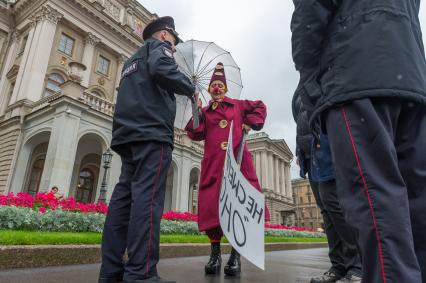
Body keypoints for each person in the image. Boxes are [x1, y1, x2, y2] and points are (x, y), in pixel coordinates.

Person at [291, 1, 426, 282]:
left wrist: (309, 77)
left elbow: (311, 10)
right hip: (409, 73)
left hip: (354, 74)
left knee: (376, 201)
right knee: (416, 202)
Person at [99, 16, 197, 283]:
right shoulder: (159, 49)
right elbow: (163, 69)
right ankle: (141, 274)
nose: (175, 49)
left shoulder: (131, 60)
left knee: (122, 202)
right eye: (174, 42)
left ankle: (110, 273)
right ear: (165, 35)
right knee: (148, 201)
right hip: (152, 134)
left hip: (127, 134)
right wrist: (190, 87)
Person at [185, 62, 270, 277]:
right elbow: (196, 133)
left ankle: (235, 256)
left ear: (225, 88)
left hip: (238, 163)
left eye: (219, 85)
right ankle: (215, 255)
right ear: (209, 89)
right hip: (214, 165)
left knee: (237, 207)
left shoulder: (238, 106)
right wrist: (195, 110)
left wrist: (250, 122)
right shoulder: (204, 111)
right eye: (213, 84)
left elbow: (260, 106)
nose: (216, 88)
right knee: (213, 208)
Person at [293, 93, 362, 283]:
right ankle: (338, 266)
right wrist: (301, 149)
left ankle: (357, 265)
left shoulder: (322, 74)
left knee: (335, 204)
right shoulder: (300, 88)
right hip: (310, 154)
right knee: (326, 210)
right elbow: (300, 119)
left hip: (326, 146)